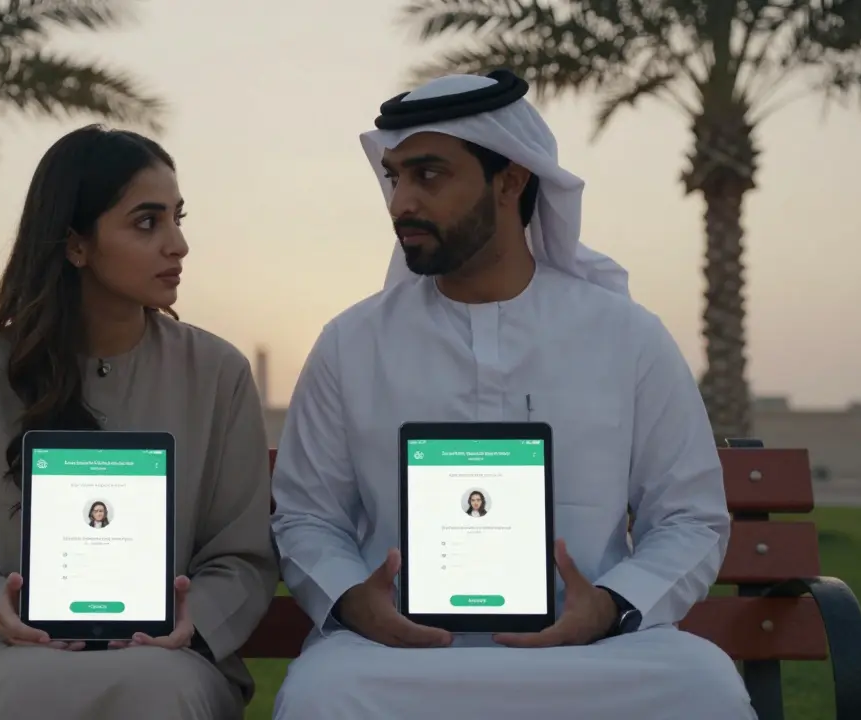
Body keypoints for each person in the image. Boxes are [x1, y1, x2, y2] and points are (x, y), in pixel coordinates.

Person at [269, 70, 755, 719]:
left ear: (511, 179)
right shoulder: (350, 345)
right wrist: (355, 599)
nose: (401, 202)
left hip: (590, 651)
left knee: (704, 687)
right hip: (397, 654)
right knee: (321, 696)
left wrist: (609, 605)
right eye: (395, 177)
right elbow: (306, 516)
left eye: (429, 175)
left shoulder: (627, 338)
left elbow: (690, 518)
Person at [0, 125, 279, 720]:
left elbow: (241, 555)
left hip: (168, 654)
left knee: (159, 688)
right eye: (147, 223)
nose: (178, 244)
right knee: (23, 692)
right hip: (6, 650)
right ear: (76, 244)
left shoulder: (217, 374)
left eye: (179, 219)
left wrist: (191, 620)